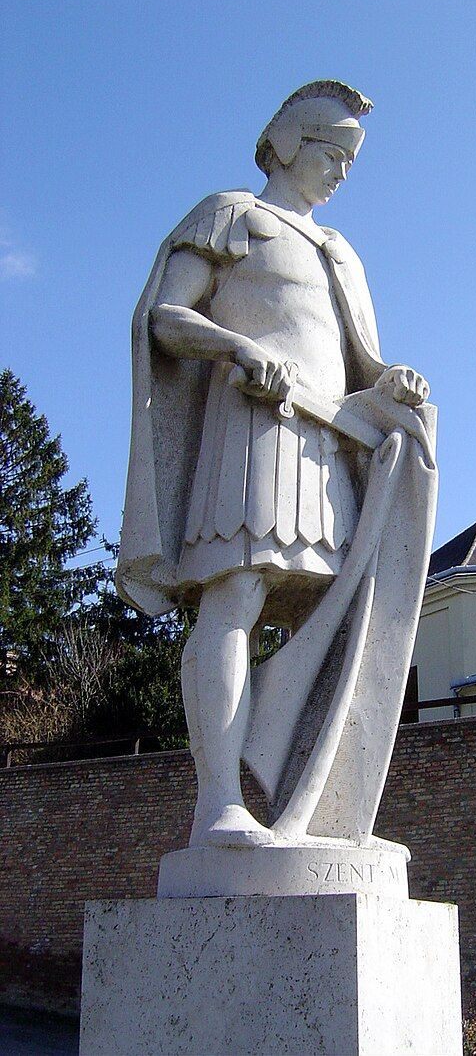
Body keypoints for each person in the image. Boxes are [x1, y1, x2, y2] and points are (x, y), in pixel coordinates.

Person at [117, 81, 432, 847]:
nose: (342, 171)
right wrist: (237, 346)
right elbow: (166, 317)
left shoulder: (343, 254)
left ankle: (320, 813)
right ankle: (220, 805)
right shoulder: (232, 215)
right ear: (292, 142)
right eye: (333, 151)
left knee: (342, 618)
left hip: (331, 444)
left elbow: (357, 364)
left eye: (351, 160)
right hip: (254, 429)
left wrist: (391, 384)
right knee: (237, 597)